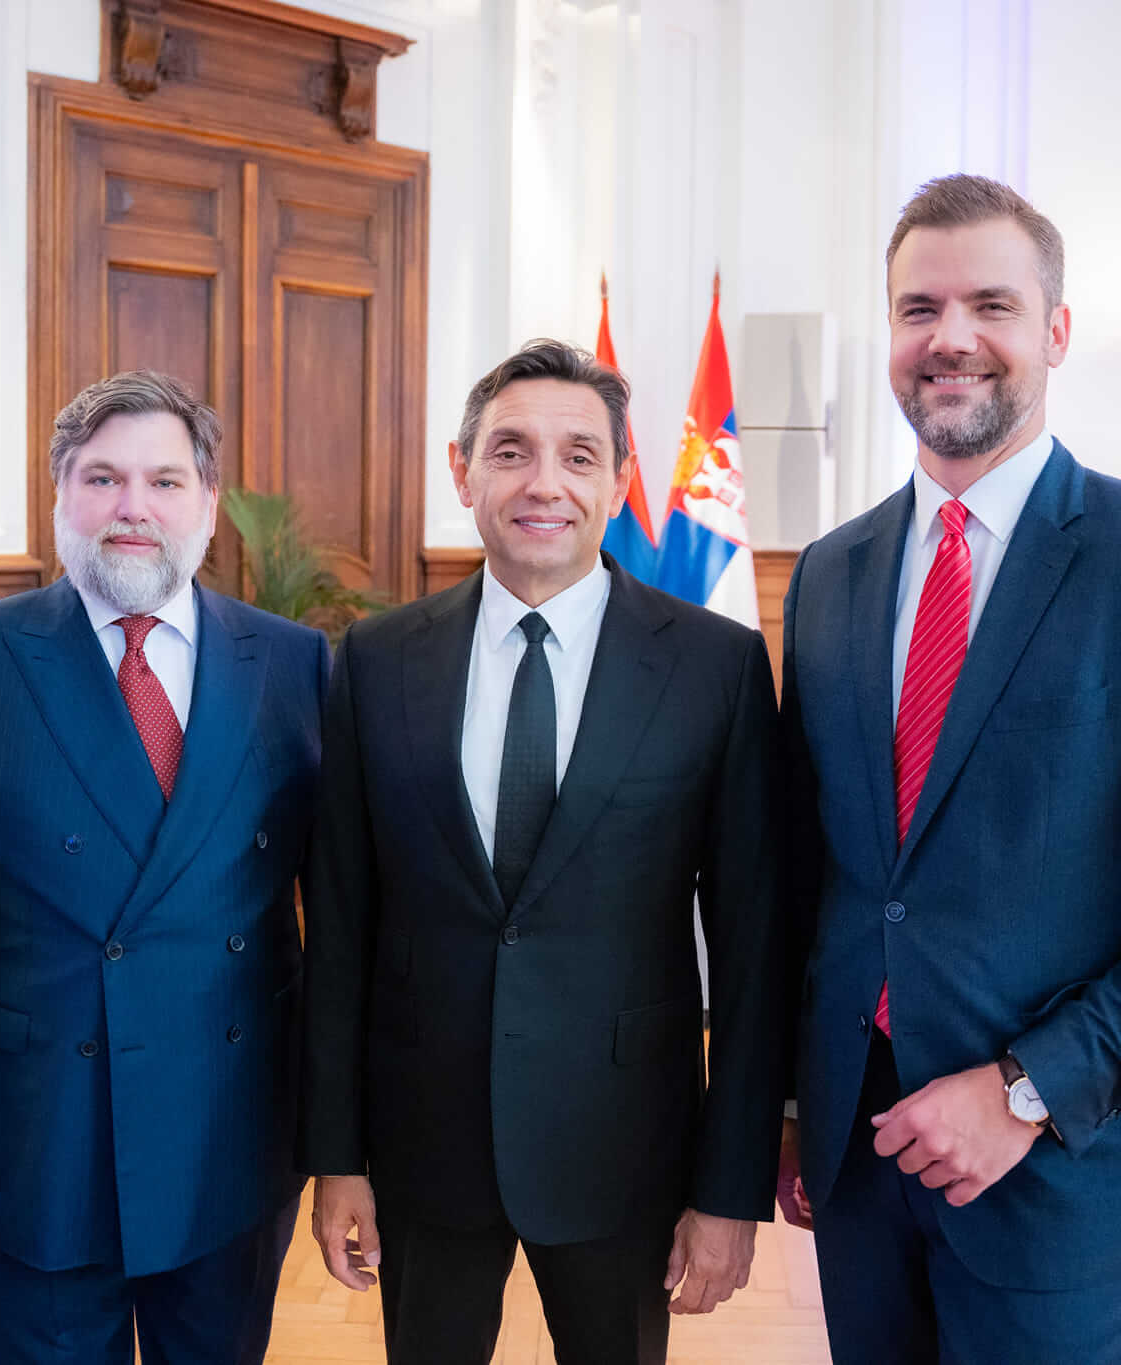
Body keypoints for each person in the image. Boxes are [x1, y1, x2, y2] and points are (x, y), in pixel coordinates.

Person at [775, 175, 1121, 1363]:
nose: (949, 338)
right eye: (918, 309)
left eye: (990, 304)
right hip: (860, 1166)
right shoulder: (829, 575)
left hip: (1063, 1170)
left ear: (1054, 331)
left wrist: (1025, 1089)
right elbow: (820, 875)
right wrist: (797, 1100)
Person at [298, 340, 784, 1365]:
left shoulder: (715, 668)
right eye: (510, 450)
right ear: (461, 469)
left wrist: (728, 1188)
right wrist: (336, 1155)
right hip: (422, 1144)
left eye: (577, 455)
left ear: (617, 479)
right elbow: (339, 925)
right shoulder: (374, 661)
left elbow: (752, 952)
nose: (542, 483)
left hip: (625, 1149)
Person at [0, 370, 328, 1363]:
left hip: (230, 1128)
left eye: (162, 480)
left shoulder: (294, 663)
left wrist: (345, 1134)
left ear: (205, 500)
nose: (132, 509)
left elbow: (345, 910)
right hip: (35, 1131)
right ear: (60, 495)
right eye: (102, 479)